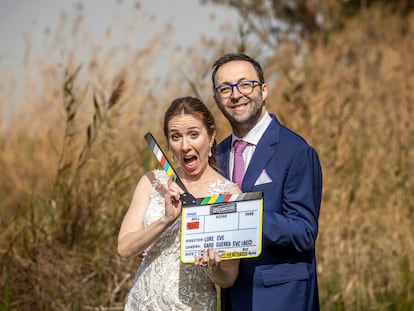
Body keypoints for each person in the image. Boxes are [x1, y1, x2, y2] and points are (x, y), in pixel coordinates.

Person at [211, 53, 323, 311]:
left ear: (263, 89)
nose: (235, 94)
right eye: (225, 88)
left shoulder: (296, 151)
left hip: (280, 297)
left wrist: (246, 214)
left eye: (244, 84)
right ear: (217, 98)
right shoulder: (218, 155)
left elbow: (304, 232)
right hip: (231, 296)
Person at [117, 96, 240, 310]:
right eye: (176, 137)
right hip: (142, 303)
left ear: (210, 137)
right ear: (167, 143)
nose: (185, 146)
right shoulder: (152, 182)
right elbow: (124, 248)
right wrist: (166, 219)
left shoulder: (229, 194)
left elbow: (229, 277)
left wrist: (214, 269)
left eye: (193, 134)